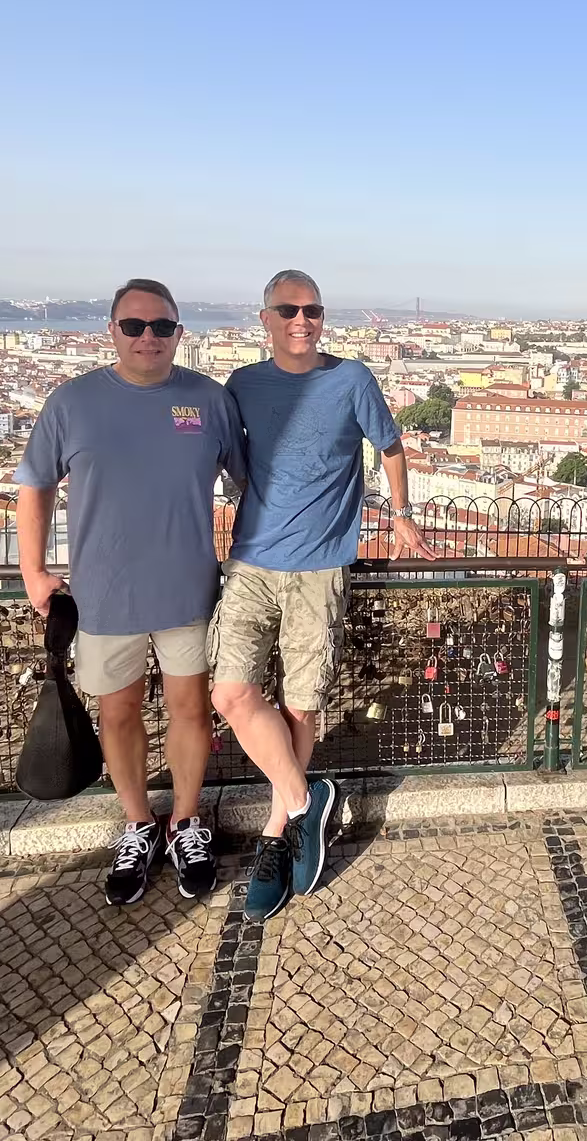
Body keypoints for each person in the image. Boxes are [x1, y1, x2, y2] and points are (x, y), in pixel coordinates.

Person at [210, 269, 436, 920]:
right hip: (251, 563)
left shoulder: (353, 379)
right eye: (289, 310)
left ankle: (277, 837)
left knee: (302, 708)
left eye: (312, 310)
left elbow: (390, 447)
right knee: (231, 692)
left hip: (319, 572)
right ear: (266, 319)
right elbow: (224, 462)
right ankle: (307, 800)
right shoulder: (242, 386)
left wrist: (399, 512)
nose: (302, 320)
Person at [15, 279, 244, 906]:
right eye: (134, 326)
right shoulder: (72, 402)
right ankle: (138, 824)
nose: (148, 337)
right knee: (117, 714)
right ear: (111, 331)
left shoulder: (208, 401)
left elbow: (251, 484)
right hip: (105, 595)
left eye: (161, 327)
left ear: (178, 333)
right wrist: (33, 571)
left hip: (190, 591)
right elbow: (33, 486)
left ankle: (188, 821)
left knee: (192, 712)